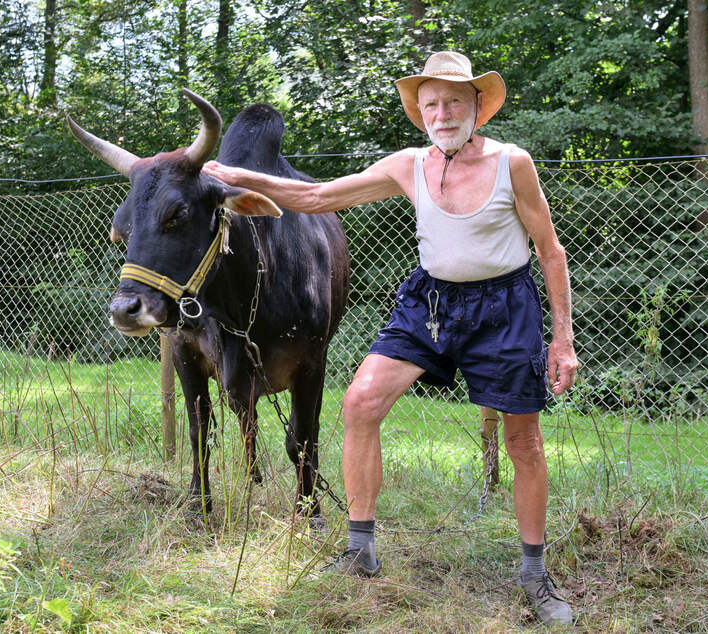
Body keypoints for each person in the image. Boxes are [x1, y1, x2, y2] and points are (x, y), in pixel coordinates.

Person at [203, 51, 578, 626]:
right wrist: (238, 177)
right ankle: (360, 549)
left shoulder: (513, 164)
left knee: (522, 440)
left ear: (478, 106)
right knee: (361, 402)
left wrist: (563, 340)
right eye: (431, 103)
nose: (443, 112)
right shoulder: (409, 164)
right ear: (420, 112)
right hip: (431, 301)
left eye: (454, 101)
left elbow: (551, 252)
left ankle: (534, 572)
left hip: (505, 306)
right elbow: (320, 196)